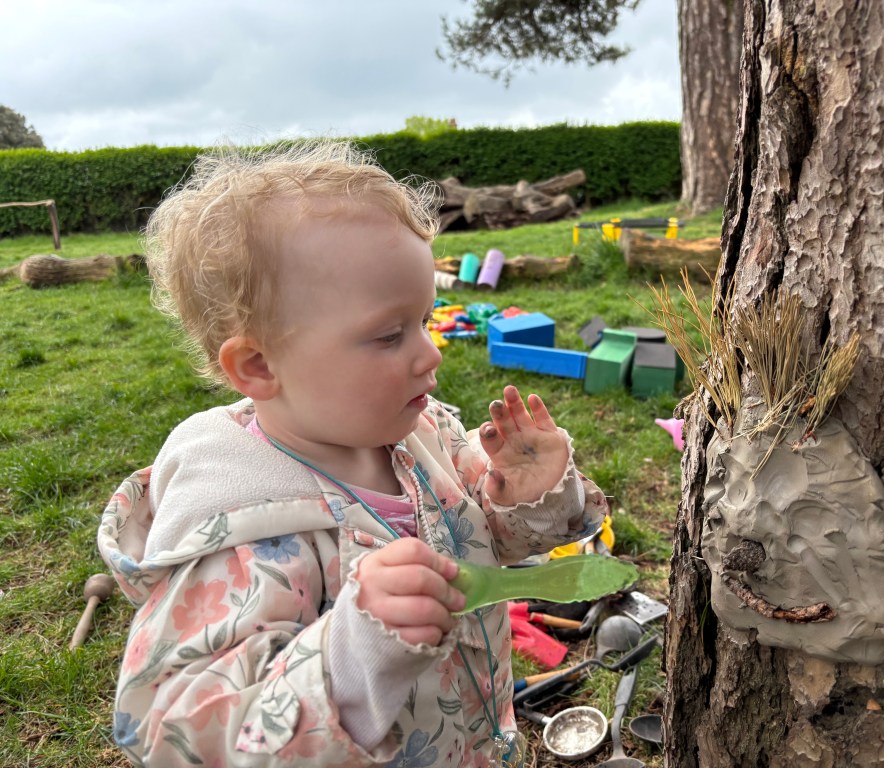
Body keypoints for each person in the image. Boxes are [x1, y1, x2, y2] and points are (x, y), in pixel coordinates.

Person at [97, 140, 608, 768]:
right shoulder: (244, 539)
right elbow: (176, 731)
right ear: (259, 365)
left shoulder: (425, 438)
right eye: (391, 334)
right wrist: (352, 653)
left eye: (425, 320)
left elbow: (489, 540)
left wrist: (530, 493)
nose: (431, 354)